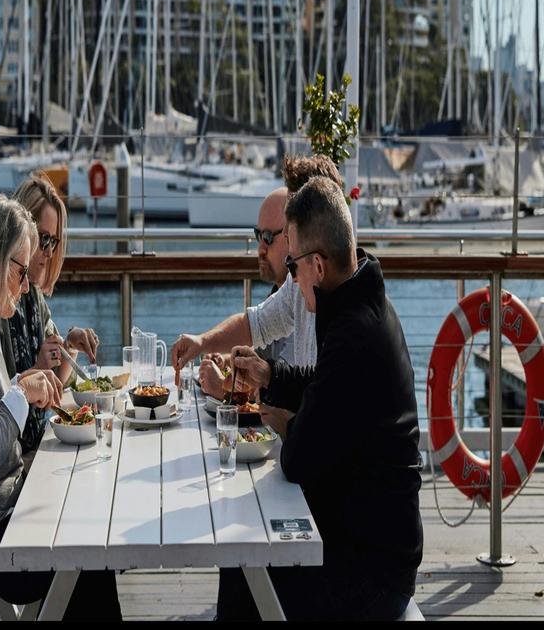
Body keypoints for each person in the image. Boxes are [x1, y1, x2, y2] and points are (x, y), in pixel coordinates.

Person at [225, 176, 424, 621]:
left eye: (292, 266)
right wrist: (270, 374)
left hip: (373, 573)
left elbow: (299, 458)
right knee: (245, 558)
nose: (290, 279)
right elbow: (326, 385)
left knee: (244, 571)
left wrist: (276, 419)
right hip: (371, 542)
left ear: (316, 265)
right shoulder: (360, 301)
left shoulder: (354, 331)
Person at [0, 194, 121, 618]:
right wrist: (20, 393)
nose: (27, 283)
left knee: (90, 548)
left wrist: (20, 385)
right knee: (87, 562)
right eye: (21, 271)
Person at [172, 156, 344, 380]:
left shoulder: (351, 320)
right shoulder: (299, 284)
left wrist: (231, 388)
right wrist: (202, 342)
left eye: (289, 223)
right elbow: (254, 325)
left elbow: (315, 397)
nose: (285, 234)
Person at [0, 174, 101, 456]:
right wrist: (39, 367)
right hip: (15, 458)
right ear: (21, 231)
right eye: (43, 239)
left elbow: (57, 379)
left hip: (34, 447)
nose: (47, 251)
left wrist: (68, 346)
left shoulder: (34, 297)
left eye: (53, 242)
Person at [194, 186, 289, 399]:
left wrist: (222, 390)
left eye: (268, 237)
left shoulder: (307, 299)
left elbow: (287, 392)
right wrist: (228, 360)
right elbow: (255, 335)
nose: (260, 249)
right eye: (258, 235)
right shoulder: (282, 293)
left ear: (294, 235)